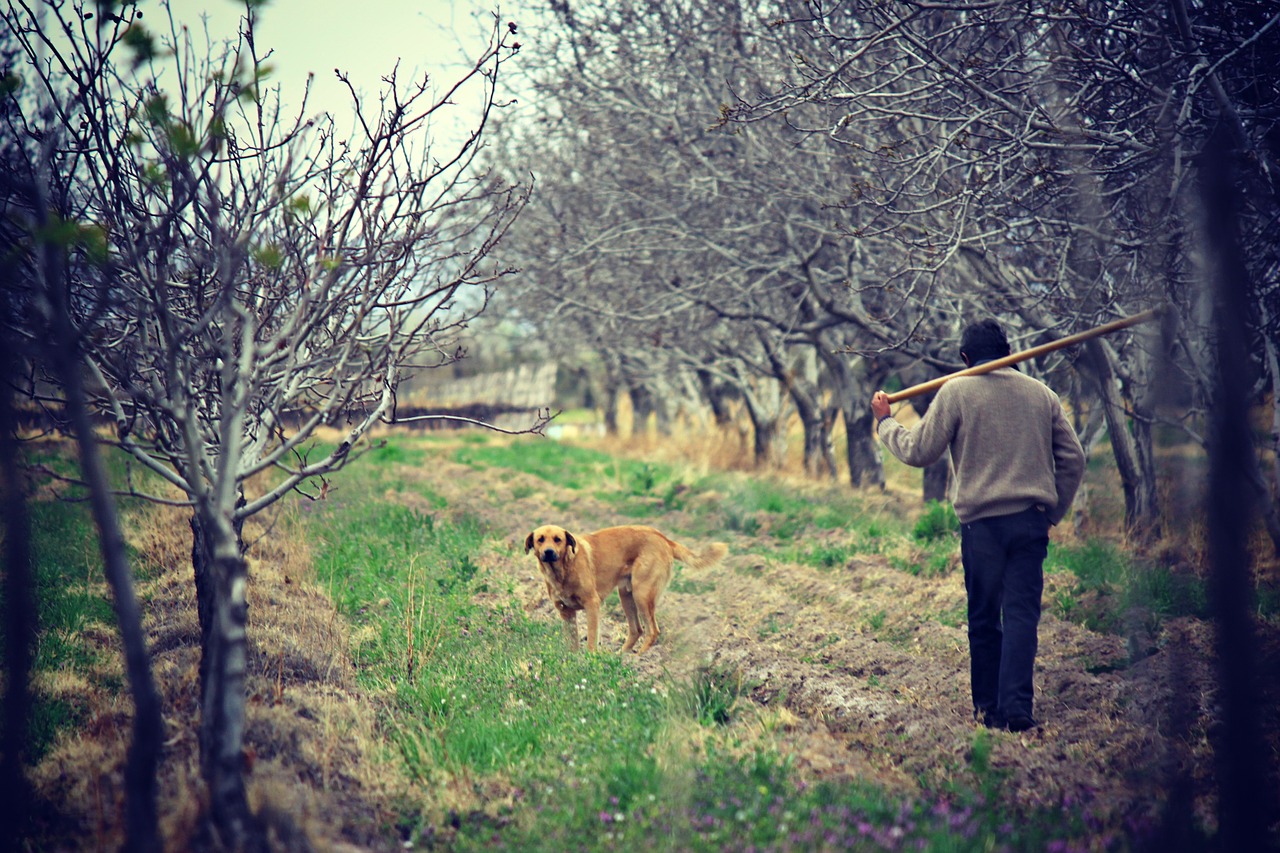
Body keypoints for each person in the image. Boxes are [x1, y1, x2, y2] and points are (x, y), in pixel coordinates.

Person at [870, 318, 1085, 732]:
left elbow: (919, 451)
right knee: (1021, 615)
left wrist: (885, 422)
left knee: (985, 617)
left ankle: (989, 710)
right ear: (1008, 350)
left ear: (965, 358)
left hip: (981, 527)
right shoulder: (1042, 394)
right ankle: (1018, 708)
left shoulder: (957, 391)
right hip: (1029, 523)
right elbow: (1074, 458)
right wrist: (1052, 512)